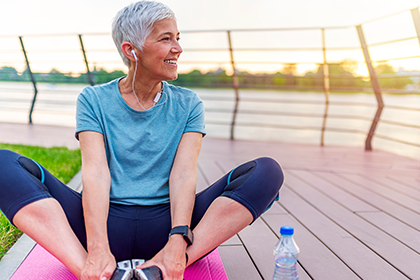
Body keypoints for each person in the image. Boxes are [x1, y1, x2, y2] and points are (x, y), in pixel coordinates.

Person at [0, 1, 283, 280]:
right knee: (3, 163)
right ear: (131, 50)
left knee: (267, 172)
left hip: (167, 226)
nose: (178, 48)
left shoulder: (189, 104)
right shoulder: (93, 100)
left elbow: (183, 174)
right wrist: (98, 246)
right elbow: (96, 173)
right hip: (102, 224)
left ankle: (167, 265)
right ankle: (92, 270)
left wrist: (178, 239)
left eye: (178, 38)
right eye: (166, 39)